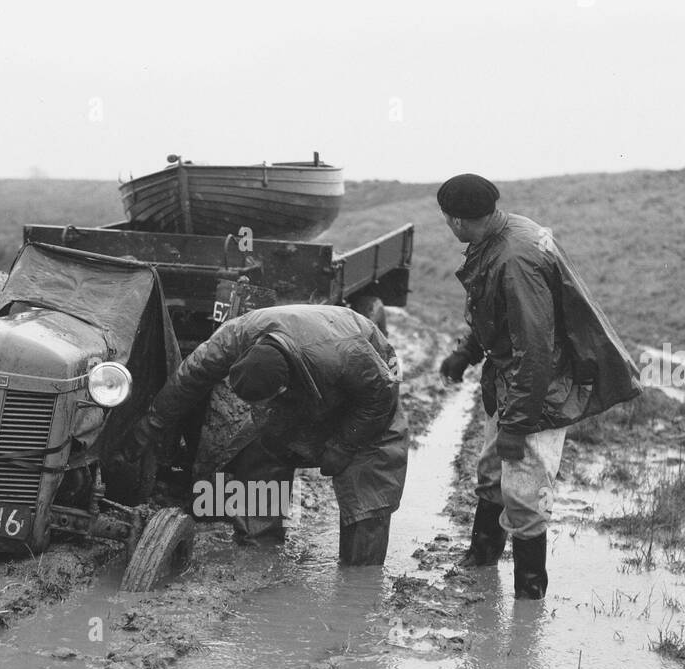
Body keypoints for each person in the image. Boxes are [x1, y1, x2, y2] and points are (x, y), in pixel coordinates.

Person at [437, 172, 642, 599]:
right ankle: (482, 559)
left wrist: (517, 425)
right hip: (515, 384)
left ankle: (529, 601)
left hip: (538, 390)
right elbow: (495, 314)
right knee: (492, 473)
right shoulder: (500, 234)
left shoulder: (515, 259)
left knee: (525, 494)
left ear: (457, 221)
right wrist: (467, 352)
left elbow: (535, 348)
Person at [129, 304, 408, 565]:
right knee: (260, 450)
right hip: (305, 378)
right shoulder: (233, 338)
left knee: (368, 494)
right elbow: (187, 380)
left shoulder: (345, 353)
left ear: (283, 385)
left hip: (370, 395)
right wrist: (149, 427)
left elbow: (381, 396)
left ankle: (359, 582)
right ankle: (259, 552)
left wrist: (345, 444)